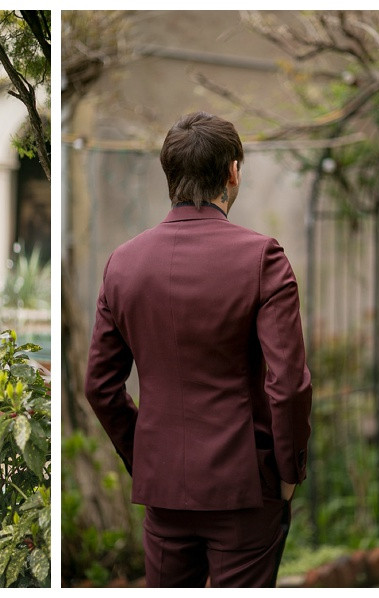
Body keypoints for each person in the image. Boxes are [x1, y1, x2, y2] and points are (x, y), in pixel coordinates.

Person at [84, 112, 312, 588]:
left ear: (170, 175)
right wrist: (289, 472)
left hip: (163, 489)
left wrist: (145, 455)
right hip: (246, 488)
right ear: (233, 172)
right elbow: (287, 383)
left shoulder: (122, 264)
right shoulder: (262, 258)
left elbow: (101, 388)